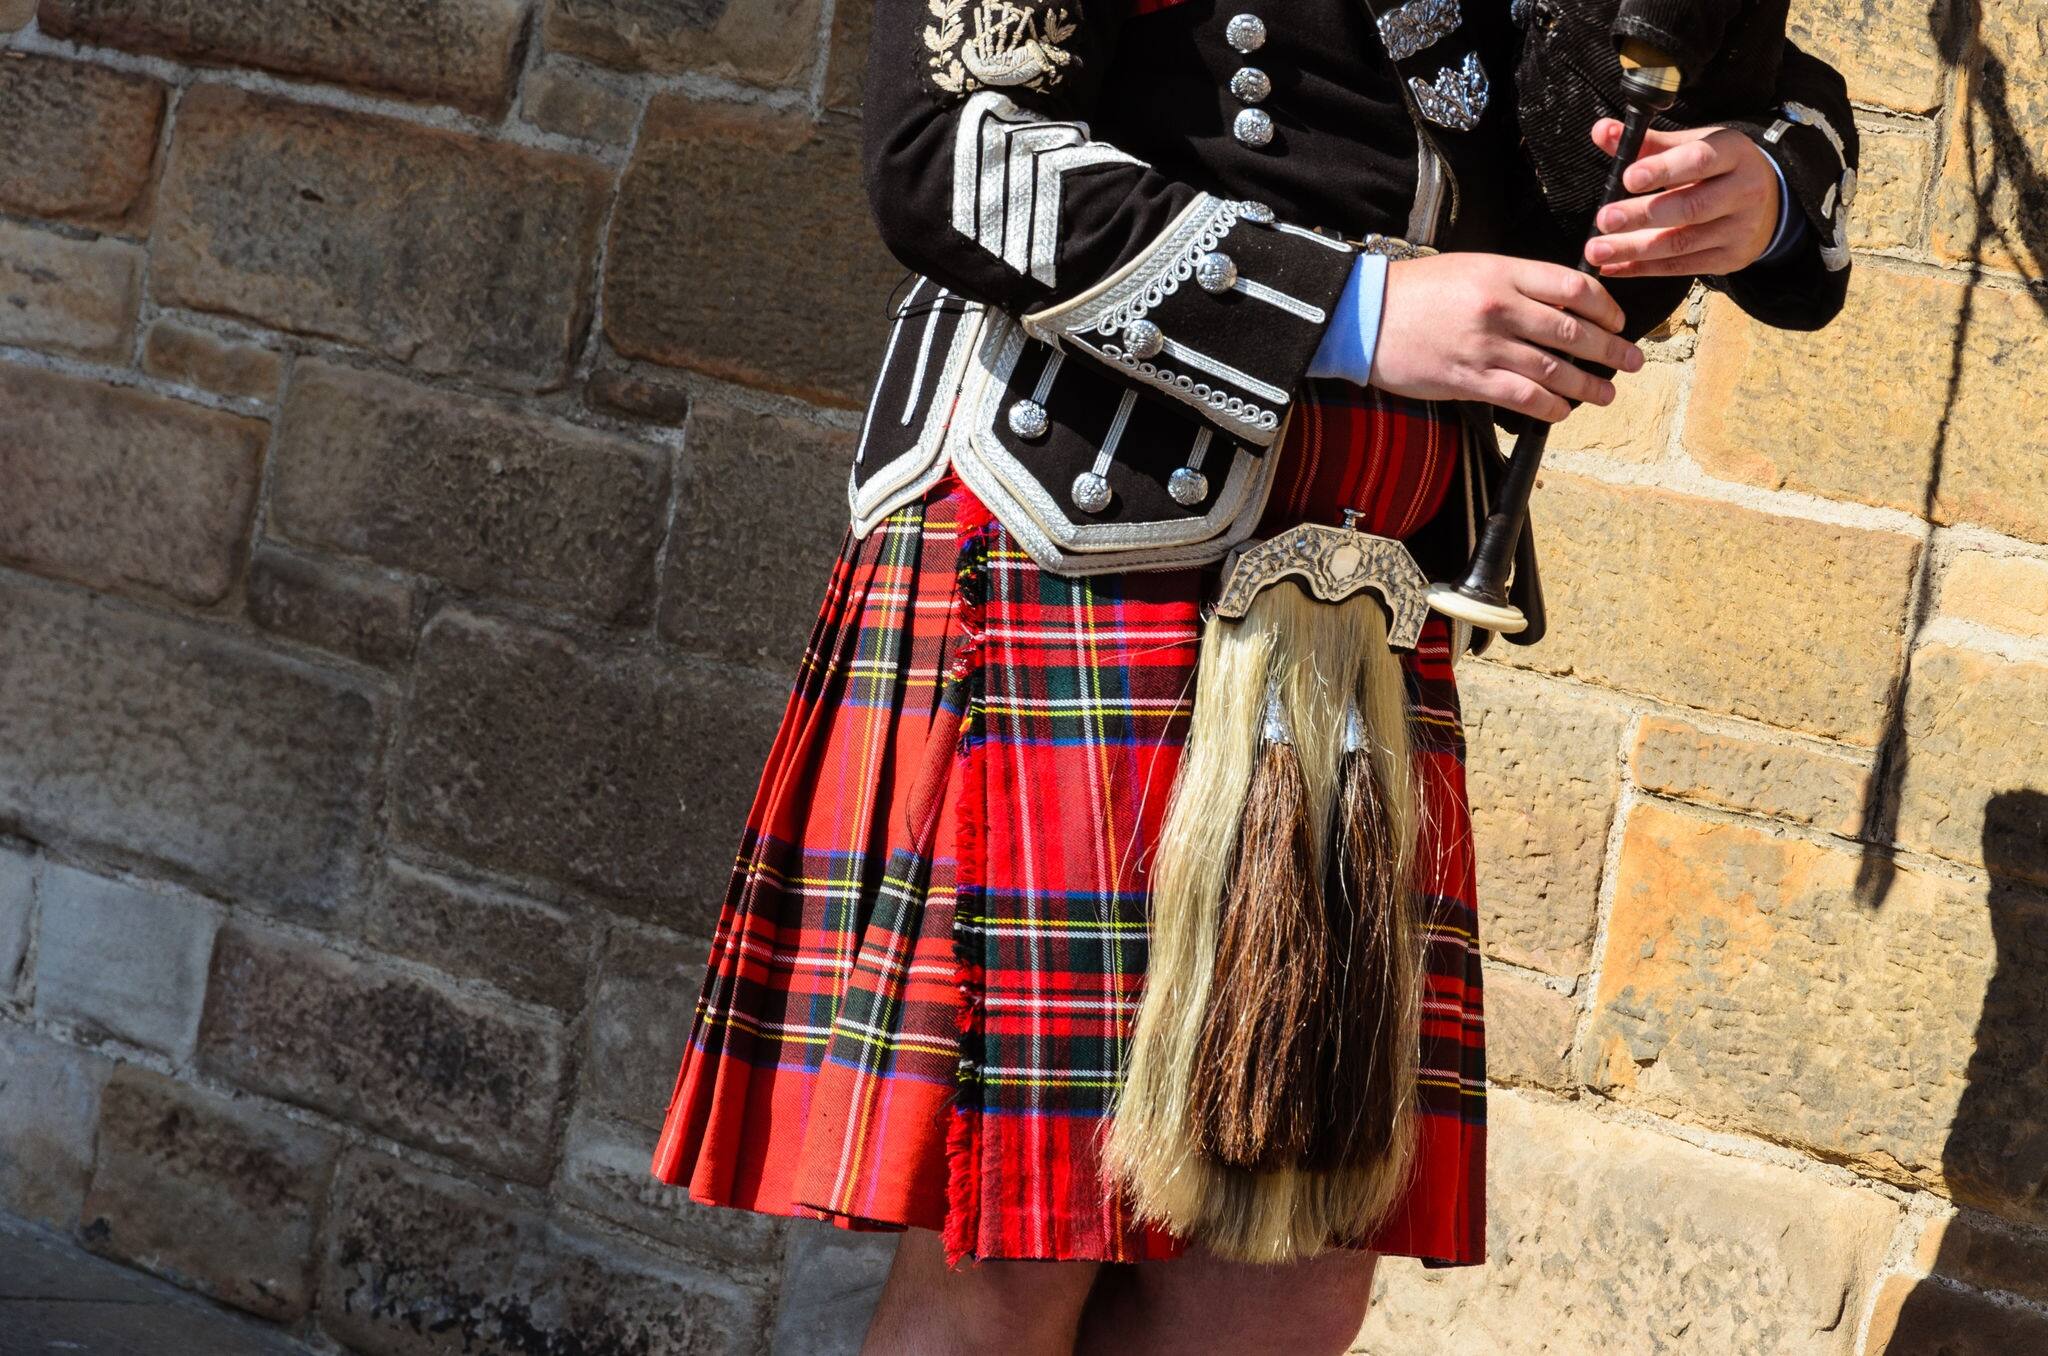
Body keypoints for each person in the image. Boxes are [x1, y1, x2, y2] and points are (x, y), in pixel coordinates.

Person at [649, 0, 1858, 1350]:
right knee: (1019, 1255)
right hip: (1081, 542)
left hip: (1355, 600)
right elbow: (950, 147)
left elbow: (1712, 59)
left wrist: (1763, 185)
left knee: (1282, 1288)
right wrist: (1351, 308)